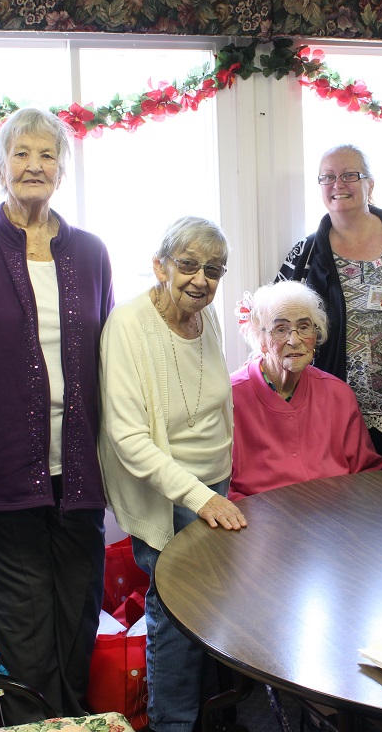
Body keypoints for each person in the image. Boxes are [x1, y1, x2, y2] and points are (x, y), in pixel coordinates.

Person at [0, 108, 113, 722]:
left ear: (63, 170)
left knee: (77, 623)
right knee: (23, 633)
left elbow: (107, 358)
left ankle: (72, 724)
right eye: (21, 154)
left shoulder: (91, 253)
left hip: (80, 478)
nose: (34, 166)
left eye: (47, 155)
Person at [98, 217, 247, 732]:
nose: (201, 279)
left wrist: (220, 486)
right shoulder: (128, 325)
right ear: (159, 265)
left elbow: (211, 410)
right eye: (187, 265)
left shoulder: (208, 319)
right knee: (178, 614)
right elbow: (128, 437)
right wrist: (201, 498)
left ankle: (211, 719)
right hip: (172, 492)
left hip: (213, 485)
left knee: (211, 611)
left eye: (214, 270)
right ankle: (173, 725)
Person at [277, 144, 382, 469]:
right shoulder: (305, 254)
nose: (338, 184)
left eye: (350, 175)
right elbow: (278, 323)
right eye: (328, 177)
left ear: (370, 184)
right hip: (338, 418)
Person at [230, 281, 382, 499]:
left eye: (304, 327)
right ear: (260, 340)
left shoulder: (338, 394)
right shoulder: (231, 396)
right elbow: (219, 486)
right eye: (280, 329)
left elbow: (366, 472)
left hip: (333, 518)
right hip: (259, 522)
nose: (295, 340)